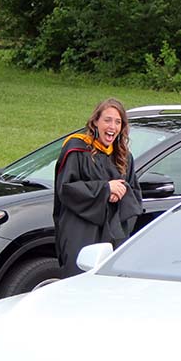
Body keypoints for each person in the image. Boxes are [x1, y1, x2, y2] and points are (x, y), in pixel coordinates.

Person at [54, 98, 142, 276]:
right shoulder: (77, 150)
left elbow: (135, 195)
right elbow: (66, 188)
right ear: (95, 121)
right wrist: (105, 189)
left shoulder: (124, 156)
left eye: (118, 122)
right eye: (107, 120)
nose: (112, 126)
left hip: (113, 234)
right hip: (81, 231)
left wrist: (121, 192)